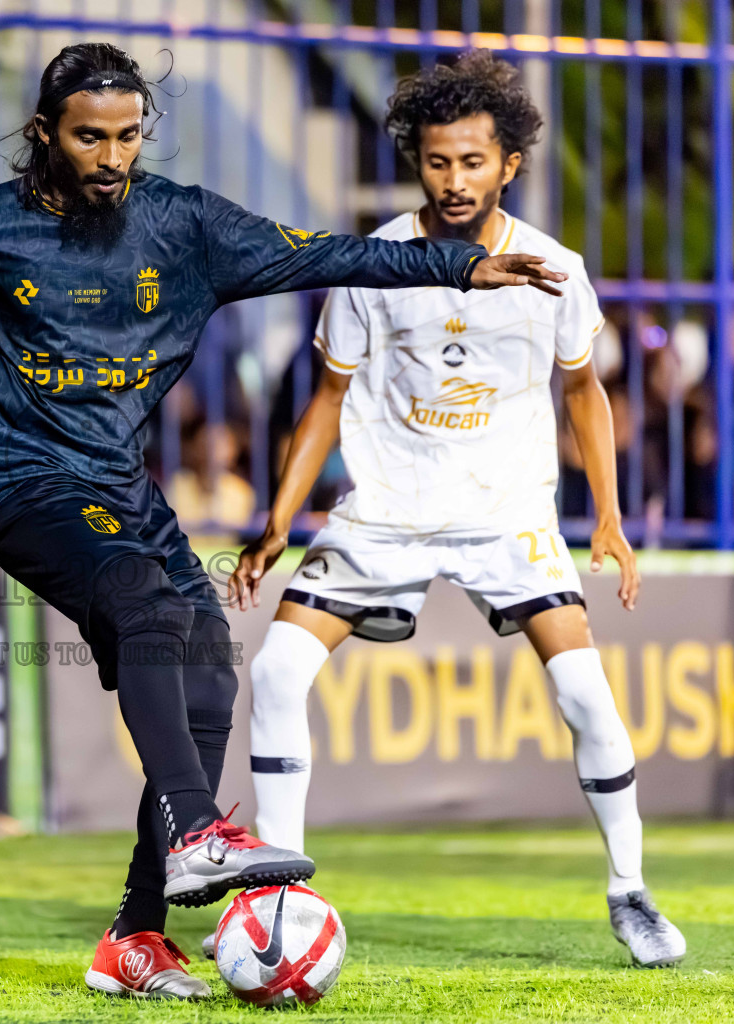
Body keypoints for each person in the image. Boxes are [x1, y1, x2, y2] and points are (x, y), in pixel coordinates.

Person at [0, 42, 563, 999]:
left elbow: (331, 253)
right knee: (143, 604)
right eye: (90, 138)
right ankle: (197, 832)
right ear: (46, 133)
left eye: (126, 136)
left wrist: (458, 265)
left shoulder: (185, 225)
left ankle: (135, 937)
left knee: (207, 663)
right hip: (8, 470)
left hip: (115, 481)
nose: (111, 157)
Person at [229, 50, 685, 970]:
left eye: (473, 161)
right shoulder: (376, 263)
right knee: (275, 672)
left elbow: (583, 390)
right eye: (437, 161)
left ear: (507, 165)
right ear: (418, 162)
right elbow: (327, 398)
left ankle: (629, 890)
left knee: (584, 694)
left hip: (505, 512)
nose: (454, 179)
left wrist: (606, 515)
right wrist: (278, 519)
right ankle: (278, 895)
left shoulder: (555, 269)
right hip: (384, 513)